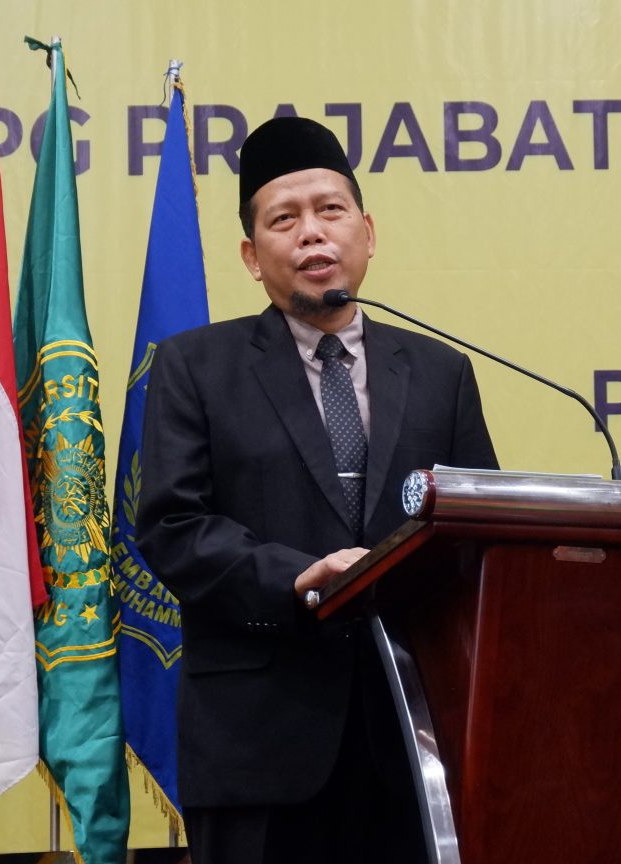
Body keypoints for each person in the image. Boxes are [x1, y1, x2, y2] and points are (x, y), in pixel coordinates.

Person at [137, 116, 498, 864]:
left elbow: (478, 532)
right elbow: (173, 526)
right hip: (257, 743)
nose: (311, 233)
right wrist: (298, 575)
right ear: (251, 256)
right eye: (284, 219)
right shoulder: (194, 367)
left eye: (331, 210)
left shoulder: (441, 372)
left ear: (367, 232)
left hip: (414, 741)